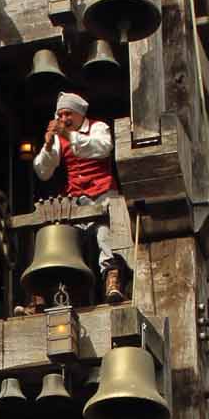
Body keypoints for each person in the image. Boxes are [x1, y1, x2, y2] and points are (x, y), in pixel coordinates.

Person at [31, 90, 129, 302]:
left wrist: (68, 136)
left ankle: (112, 281)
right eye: (61, 115)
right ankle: (51, 293)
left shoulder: (98, 127)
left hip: (104, 197)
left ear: (79, 114)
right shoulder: (59, 139)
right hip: (76, 201)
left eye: (68, 114)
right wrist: (48, 146)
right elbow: (43, 172)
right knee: (63, 242)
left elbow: (102, 148)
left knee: (105, 235)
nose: (64, 119)